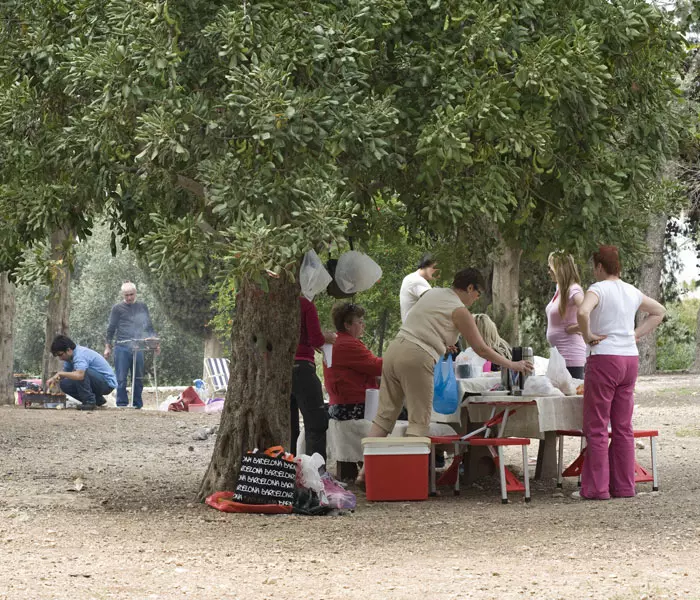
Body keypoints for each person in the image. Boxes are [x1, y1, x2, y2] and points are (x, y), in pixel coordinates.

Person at [357, 268, 533, 484]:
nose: (475, 300)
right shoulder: (459, 311)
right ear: (470, 288)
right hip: (417, 357)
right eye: (476, 294)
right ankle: (412, 480)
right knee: (418, 421)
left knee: (385, 416)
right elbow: (482, 349)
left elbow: (425, 323)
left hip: (394, 351)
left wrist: (440, 344)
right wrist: (513, 364)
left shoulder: (432, 293)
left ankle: (365, 472)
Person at [576, 245, 665, 500]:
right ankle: (625, 486)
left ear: (600, 267)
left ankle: (597, 488)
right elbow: (659, 311)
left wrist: (588, 335)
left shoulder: (598, 289)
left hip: (604, 357)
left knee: (597, 425)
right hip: (629, 360)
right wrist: (634, 335)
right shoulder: (631, 291)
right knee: (623, 426)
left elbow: (583, 311)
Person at [291, 296, 336, 459]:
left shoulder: (275, 302)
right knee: (316, 423)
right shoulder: (305, 304)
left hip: (281, 371)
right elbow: (316, 339)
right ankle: (317, 472)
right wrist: (327, 337)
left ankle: (287, 470)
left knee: (290, 425)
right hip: (303, 367)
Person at [104, 282, 159, 409]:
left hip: (138, 346)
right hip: (122, 347)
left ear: (135, 293)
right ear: (123, 295)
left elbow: (149, 325)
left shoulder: (142, 307)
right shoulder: (117, 308)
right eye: (126, 295)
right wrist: (108, 347)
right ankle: (122, 404)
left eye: (131, 294)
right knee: (121, 378)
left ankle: (137, 404)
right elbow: (111, 329)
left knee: (138, 377)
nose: (129, 297)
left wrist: (155, 343)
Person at [323, 303, 382, 421]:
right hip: (352, 405)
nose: (363, 325)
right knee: (402, 413)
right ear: (347, 325)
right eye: (359, 322)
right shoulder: (348, 344)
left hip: (340, 404)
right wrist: (397, 358)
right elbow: (376, 366)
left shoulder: (336, 342)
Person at [48, 335, 117, 411]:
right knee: (65, 384)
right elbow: (66, 374)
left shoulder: (80, 354)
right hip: (96, 381)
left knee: (80, 373)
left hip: (107, 384)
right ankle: (98, 400)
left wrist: (60, 373)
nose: (60, 358)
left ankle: (89, 402)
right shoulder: (69, 359)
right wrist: (54, 379)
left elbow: (80, 375)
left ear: (68, 350)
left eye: (61, 355)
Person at [546, 252, 586, 379]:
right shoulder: (559, 290)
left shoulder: (573, 290)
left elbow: (589, 313)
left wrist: (574, 328)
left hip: (571, 358)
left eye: (550, 268)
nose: (548, 272)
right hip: (559, 358)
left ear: (559, 269)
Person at [399, 253, 439, 323]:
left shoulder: (411, 277)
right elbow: (435, 304)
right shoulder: (417, 280)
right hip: (416, 331)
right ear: (428, 263)